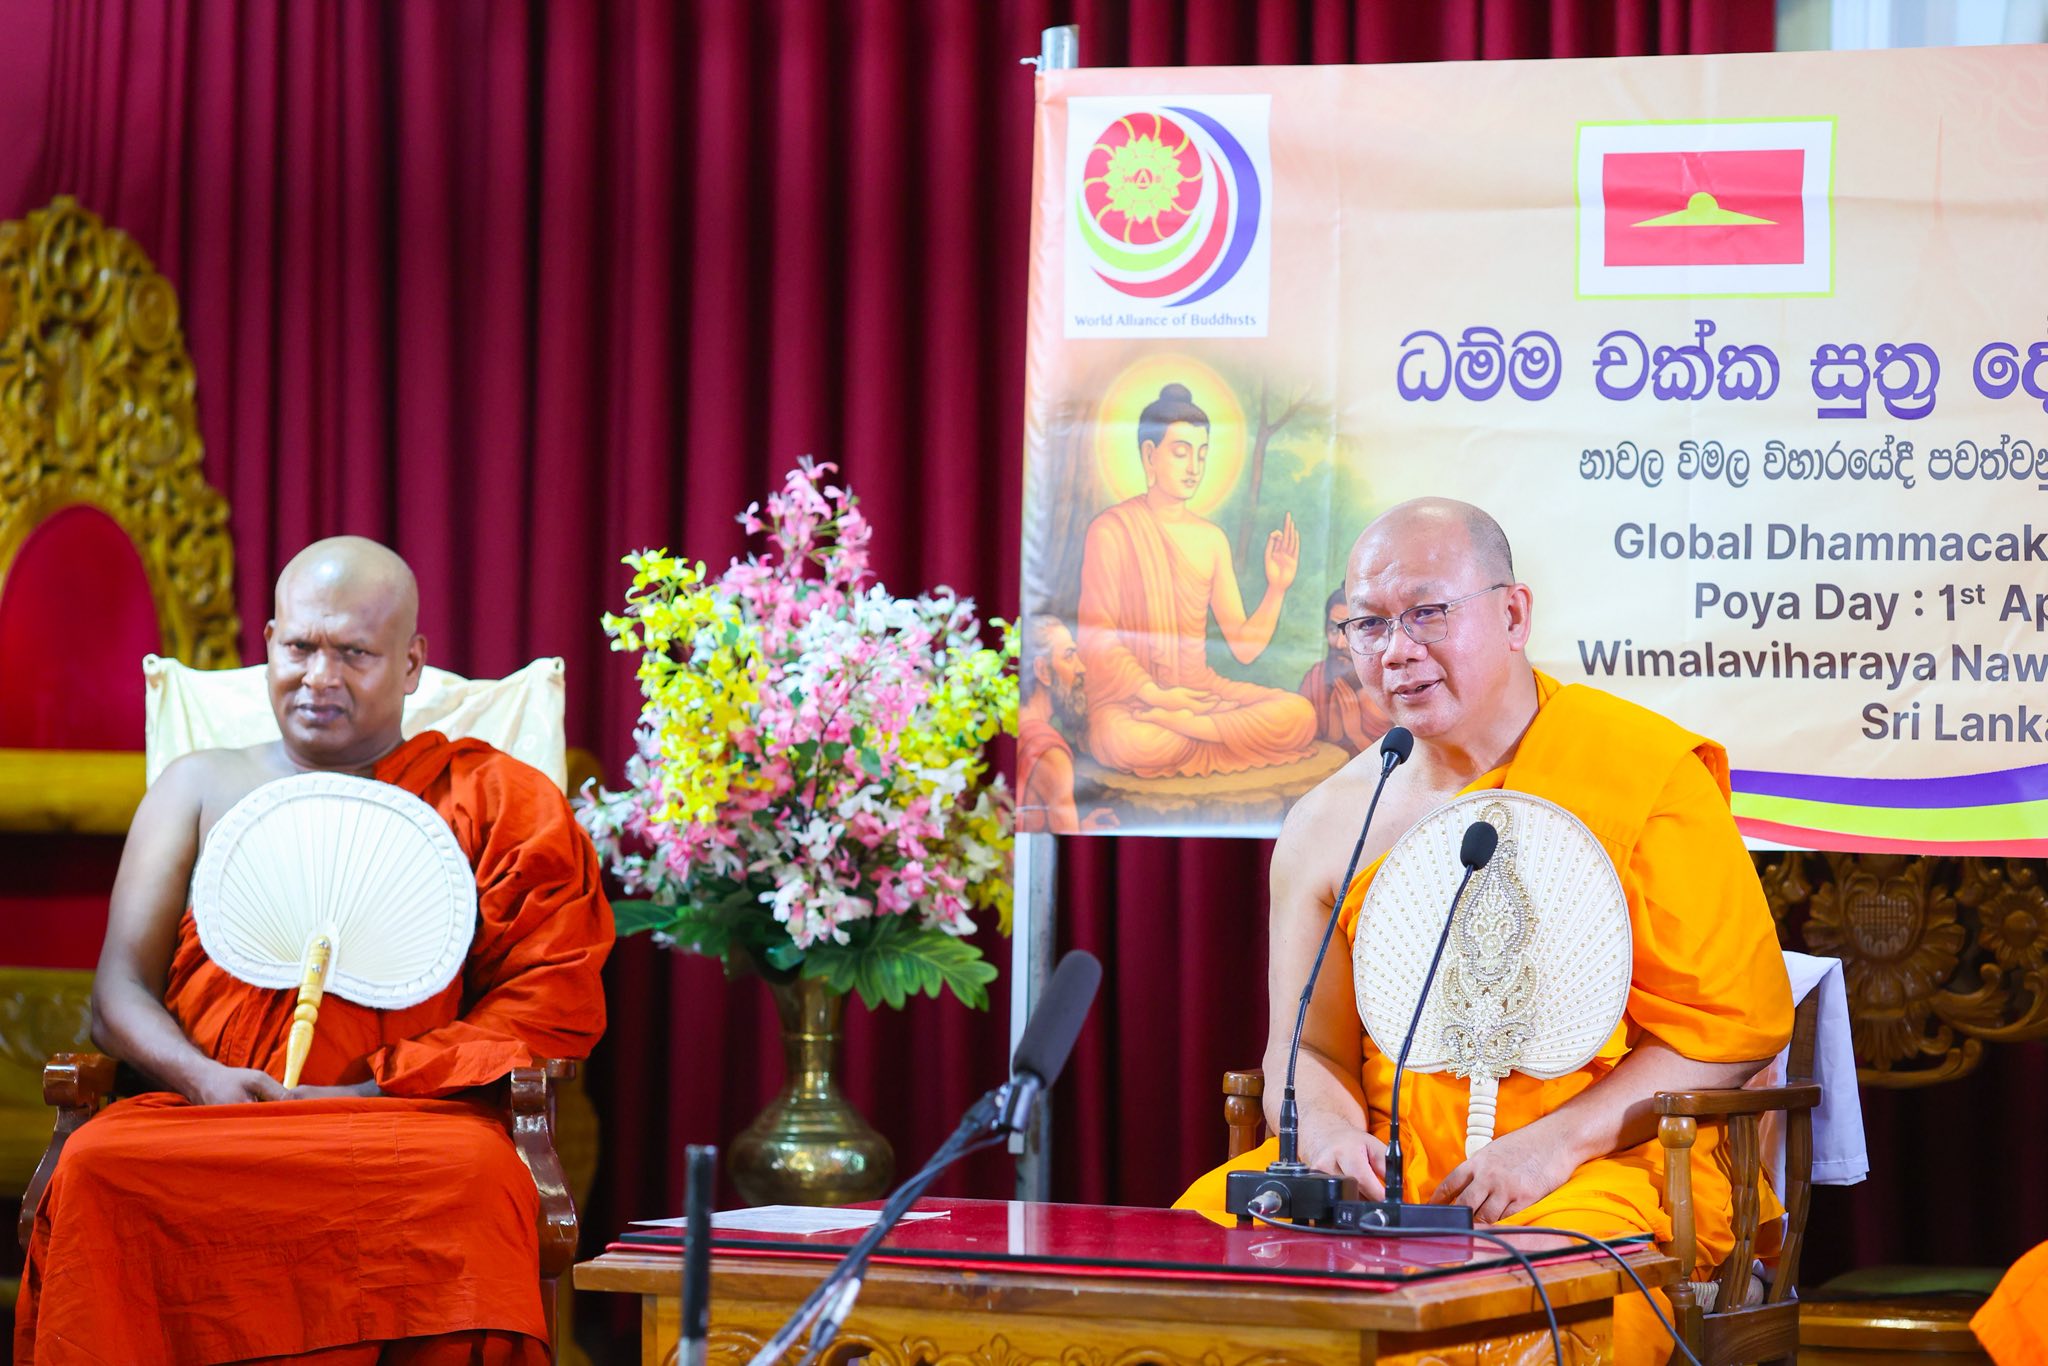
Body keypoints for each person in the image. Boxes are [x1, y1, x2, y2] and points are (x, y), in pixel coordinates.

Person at [1178, 499, 1793, 1366]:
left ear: (1513, 615)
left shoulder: (1641, 777)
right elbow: (1302, 1049)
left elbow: (1731, 1030)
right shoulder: (1331, 821)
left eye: (1428, 612)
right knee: (1186, 1275)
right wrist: (1323, 1135)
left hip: (1599, 1171)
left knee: (1516, 1323)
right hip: (1386, 1176)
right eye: (1369, 623)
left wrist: (1553, 1145)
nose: (1397, 650)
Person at [17, 537, 613, 1366]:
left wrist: (374, 1089)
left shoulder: (493, 799)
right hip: (212, 1112)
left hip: (404, 1121)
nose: (319, 676)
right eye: (300, 646)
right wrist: (206, 1080)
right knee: (97, 1169)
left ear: (411, 665)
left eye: (355, 653)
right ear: (267, 642)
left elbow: (545, 1003)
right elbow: (117, 993)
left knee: (476, 1184)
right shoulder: (196, 786)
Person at [1076, 382, 1318, 779]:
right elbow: (1096, 637)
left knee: (1298, 716)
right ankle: (1202, 732)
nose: (1194, 468)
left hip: (1201, 695)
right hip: (1134, 700)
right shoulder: (1112, 530)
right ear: (1149, 456)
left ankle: (1190, 729)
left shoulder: (1211, 539)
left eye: (1202, 454)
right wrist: (1156, 695)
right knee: (1129, 740)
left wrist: (1277, 588)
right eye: (1181, 452)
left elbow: (1244, 648)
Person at [1016, 615, 1116, 834]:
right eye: (1069, 656)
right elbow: (1068, 844)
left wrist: (1081, 825)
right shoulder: (1051, 753)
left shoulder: (1019, 730)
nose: (1081, 668)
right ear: (1043, 671)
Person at [1299, 586, 1391, 753]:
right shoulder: (1316, 678)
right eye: (1334, 629)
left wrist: (1355, 735)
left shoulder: (1393, 687)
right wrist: (1334, 737)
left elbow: (1404, 771)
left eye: (1352, 630)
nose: (1340, 644)